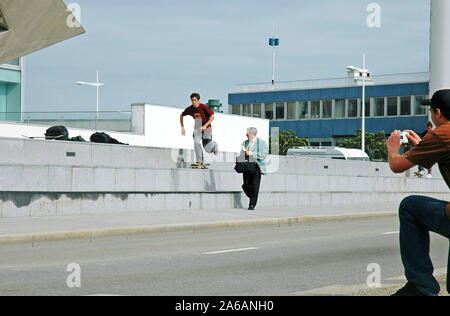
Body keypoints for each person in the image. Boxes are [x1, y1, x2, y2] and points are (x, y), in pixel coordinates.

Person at [386, 89, 450, 296]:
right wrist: (423, 146)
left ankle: (420, 286)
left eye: (431, 111)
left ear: (437, 113)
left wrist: (393, 148)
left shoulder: (441, 134)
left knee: (410, 206)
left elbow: (397, 165)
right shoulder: (438, 139)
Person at [180, 93, 219, 169]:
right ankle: (199, 161)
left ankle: (214, 145)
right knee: (196, 142)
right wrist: (182, 127)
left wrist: (204, 126)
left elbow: (212, 117)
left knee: (207, 148)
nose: (193, 102)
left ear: (198, 100)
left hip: (207, 127)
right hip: (197, 127)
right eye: (192, 100)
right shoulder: (190, 109)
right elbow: (181, 115)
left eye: (195, 100)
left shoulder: (203, 107)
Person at [240, 127, 269, 211]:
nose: (246, 134)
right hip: (246, 166)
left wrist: (252, 153)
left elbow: (264, 155)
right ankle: (252, 195)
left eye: (247, 133)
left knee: (255, 186)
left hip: (257, 167)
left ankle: (252, 204)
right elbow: (242, 153)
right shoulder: (245, 143)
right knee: (245, 185)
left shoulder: (262, 142)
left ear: (252, 134)